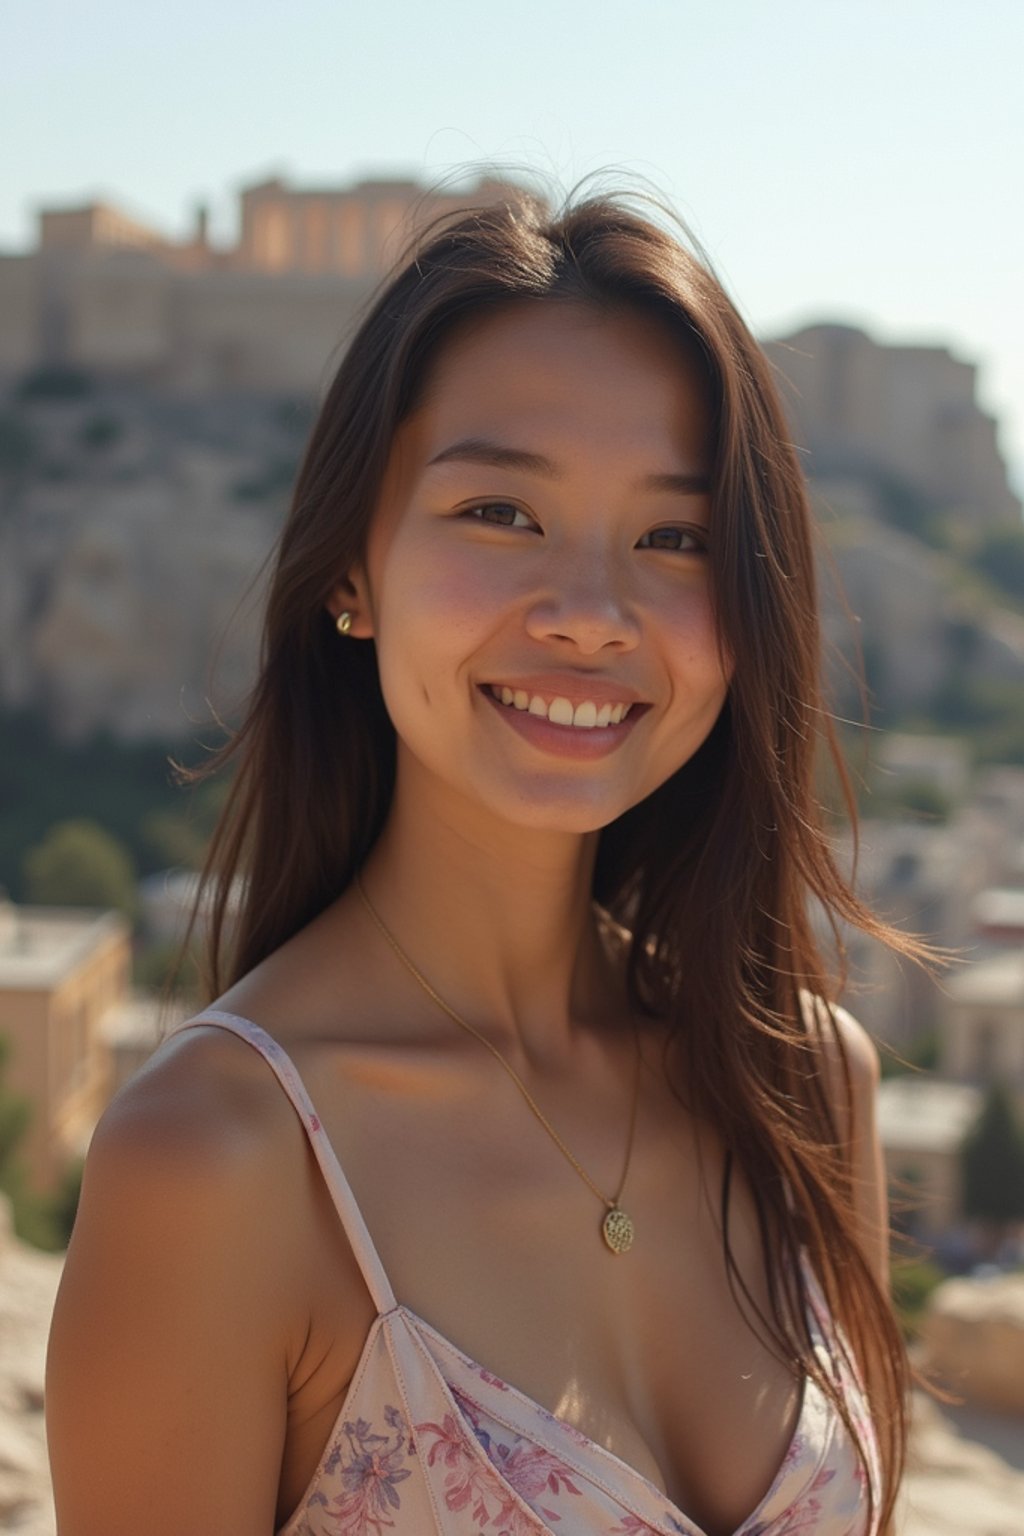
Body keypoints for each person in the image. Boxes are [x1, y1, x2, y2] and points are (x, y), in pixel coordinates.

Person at [45, 190, 918, 1536]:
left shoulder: (806, 1088)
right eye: (500, 511)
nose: (588, 615)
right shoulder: (219, 1164)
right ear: (353, 567)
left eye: (674, 537)